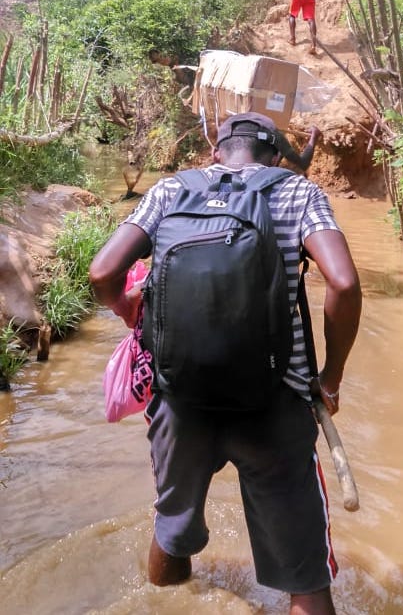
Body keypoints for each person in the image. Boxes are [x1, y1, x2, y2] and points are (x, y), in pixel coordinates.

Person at [89, 111, 362, 615]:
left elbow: (103, 271)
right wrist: (332, 376)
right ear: (277, 157)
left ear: (216, 152)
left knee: (172, 528)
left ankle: (167, 604)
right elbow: (343, 284)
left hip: (179, 400)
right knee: (305, 573)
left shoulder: (171, 191)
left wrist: (130, 311)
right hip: (276, 404)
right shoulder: (297, 193)